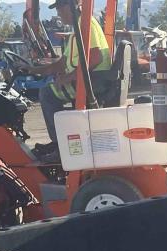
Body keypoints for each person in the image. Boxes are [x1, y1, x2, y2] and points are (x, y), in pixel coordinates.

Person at [38, 0, 113, 147]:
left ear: (70, 6)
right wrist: (36, 70)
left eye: (59, 8)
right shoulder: (78, 27)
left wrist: (69, 77)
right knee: (51, 87)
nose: (58, 13)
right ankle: (65, 140)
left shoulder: (85, 24)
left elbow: (96, 57)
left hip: (94, 81)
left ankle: (59, 146)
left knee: (47, 94)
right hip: (91, 79)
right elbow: (63, 62)